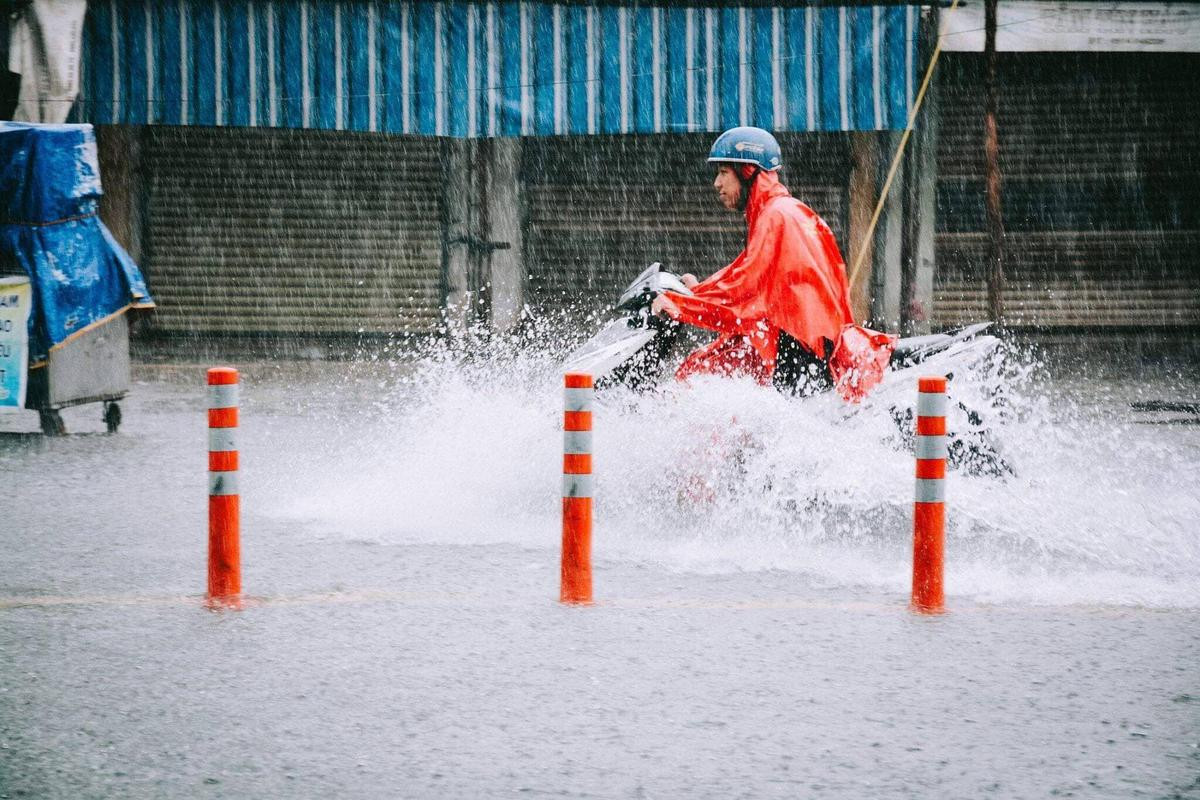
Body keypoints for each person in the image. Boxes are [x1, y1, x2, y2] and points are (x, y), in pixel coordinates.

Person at [650, 126, 895, 401]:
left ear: (748, 171)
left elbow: (745, 289)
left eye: (723, 172)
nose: (716, 184)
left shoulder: (776, 217)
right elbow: (741, 271)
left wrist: (679, 305)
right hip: (807, 344)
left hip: (801, 351)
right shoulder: (779, 212)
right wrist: (698, 292)